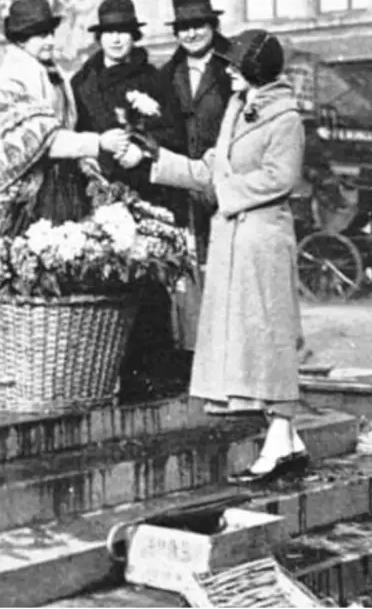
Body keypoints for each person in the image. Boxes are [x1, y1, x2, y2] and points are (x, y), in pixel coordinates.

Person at [146, 29, 308, 484]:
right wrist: (157, 161)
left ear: (255, 70)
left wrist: (225, 192)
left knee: (269, 337)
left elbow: (281, 178)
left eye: (236, 64)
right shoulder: (239, 106)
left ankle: (279, 440)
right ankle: (286, 440)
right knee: (248, 340)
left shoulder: (285, 117)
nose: (229, 70)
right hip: (234, 241)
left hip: (262, 241)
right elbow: (212, 169)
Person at [0, 0, 129, 347]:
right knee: (20, 277)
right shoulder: (11, 78)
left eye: (51, 32)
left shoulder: (52, 72)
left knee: (58, 273)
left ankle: (55, 360)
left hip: (56, 187)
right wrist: (98, 143)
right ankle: (21, 359)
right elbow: (40, 141)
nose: (49, 40)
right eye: (40, 35)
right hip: (20, 193)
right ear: (21, 40)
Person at [71, 0, 187, 395]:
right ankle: (104, 369)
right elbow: (72, 130)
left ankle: (149, 371)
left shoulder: (153, 80)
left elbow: (174, 134)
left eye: (123, 32)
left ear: (134, 36)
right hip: (95, 190)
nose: (116, 41)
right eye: (108, 33)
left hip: (141, 192)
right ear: (99, 37)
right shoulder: (81, 82)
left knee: (144, 276)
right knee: (102, 276)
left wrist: (145, 148)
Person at [157, 0, 233, 263]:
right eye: (183, 28)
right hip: (181, 188)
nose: (190, 34)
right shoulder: (166, 75)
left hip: (225, 184)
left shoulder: (233, 69)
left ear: (213, 25)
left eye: (198, 25)